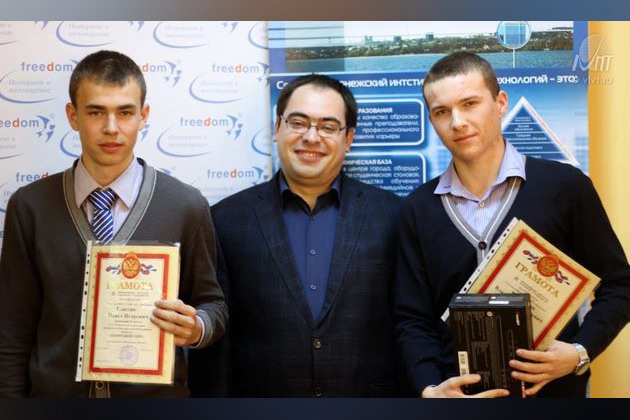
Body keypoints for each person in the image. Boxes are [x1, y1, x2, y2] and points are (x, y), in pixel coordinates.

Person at [395, 52, 630, 398]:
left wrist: (579, 352)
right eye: (441, 112)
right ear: (432, 119)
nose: (457, 122)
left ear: (500, 103)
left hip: (554, 398)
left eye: (470, 103)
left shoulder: (565, 187)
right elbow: (412, 317)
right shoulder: (417, 208)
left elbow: (620, 286)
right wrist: (430, 388)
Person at [0, 50, 227, 397]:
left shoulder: (186, 204)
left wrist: (197, 327)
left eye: (125, 112)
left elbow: (214, 305)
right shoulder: (30, 206)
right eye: (95, 112)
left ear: (143, 115)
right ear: (73, 116)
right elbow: (13, 329)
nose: (111, 128)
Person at [189, 74, 404, 397]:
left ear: (348, 138)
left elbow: (409, 324)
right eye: (298, 123)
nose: (311, 137)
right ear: (277, 128)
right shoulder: (226, 219)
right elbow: (218, 342)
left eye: (328, 127)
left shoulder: (392, 215)